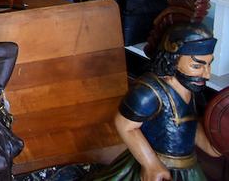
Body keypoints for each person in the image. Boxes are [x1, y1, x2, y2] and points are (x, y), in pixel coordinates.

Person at [86, 24, 219, 180]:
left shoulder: (191, 89)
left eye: (209, 64)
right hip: (156, 167)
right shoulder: (149, 92)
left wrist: (214, 145)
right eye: (197, 66)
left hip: (187, 169)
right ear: (174, 59)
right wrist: (151, 164)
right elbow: (125, 124)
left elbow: (189, 124)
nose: (207, 75)